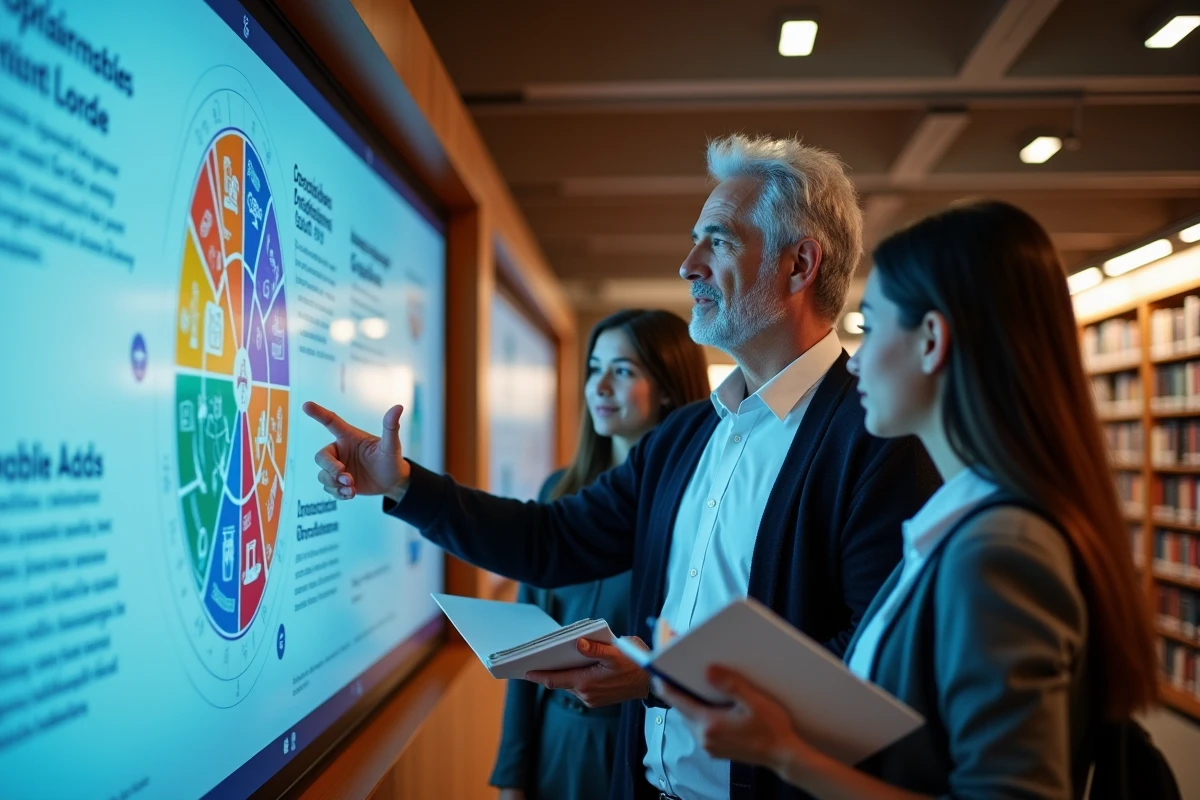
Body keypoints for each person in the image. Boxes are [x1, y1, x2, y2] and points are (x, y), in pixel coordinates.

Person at [303, 134, 938, 800]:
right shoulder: (688, 435)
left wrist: (664, 679)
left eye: (717, 242)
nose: (688, 264)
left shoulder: (874, 437)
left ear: (799, 263)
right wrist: (402, 484)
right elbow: (553, 540)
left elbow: (870, 659)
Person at [655, 200, 1158, 799]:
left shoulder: (999, 552)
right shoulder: (964, 528)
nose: (857, 358)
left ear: (930, 341)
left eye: (869, 326)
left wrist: (781, 753)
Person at [491, 309, 710, 800]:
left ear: (670, 387)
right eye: (594, 368)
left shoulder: (695, 504)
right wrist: (512, 775)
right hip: (557, 741)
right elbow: (529, 641)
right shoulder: (559, 492)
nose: (600, 386)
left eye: (624, 371)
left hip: (644, 738)